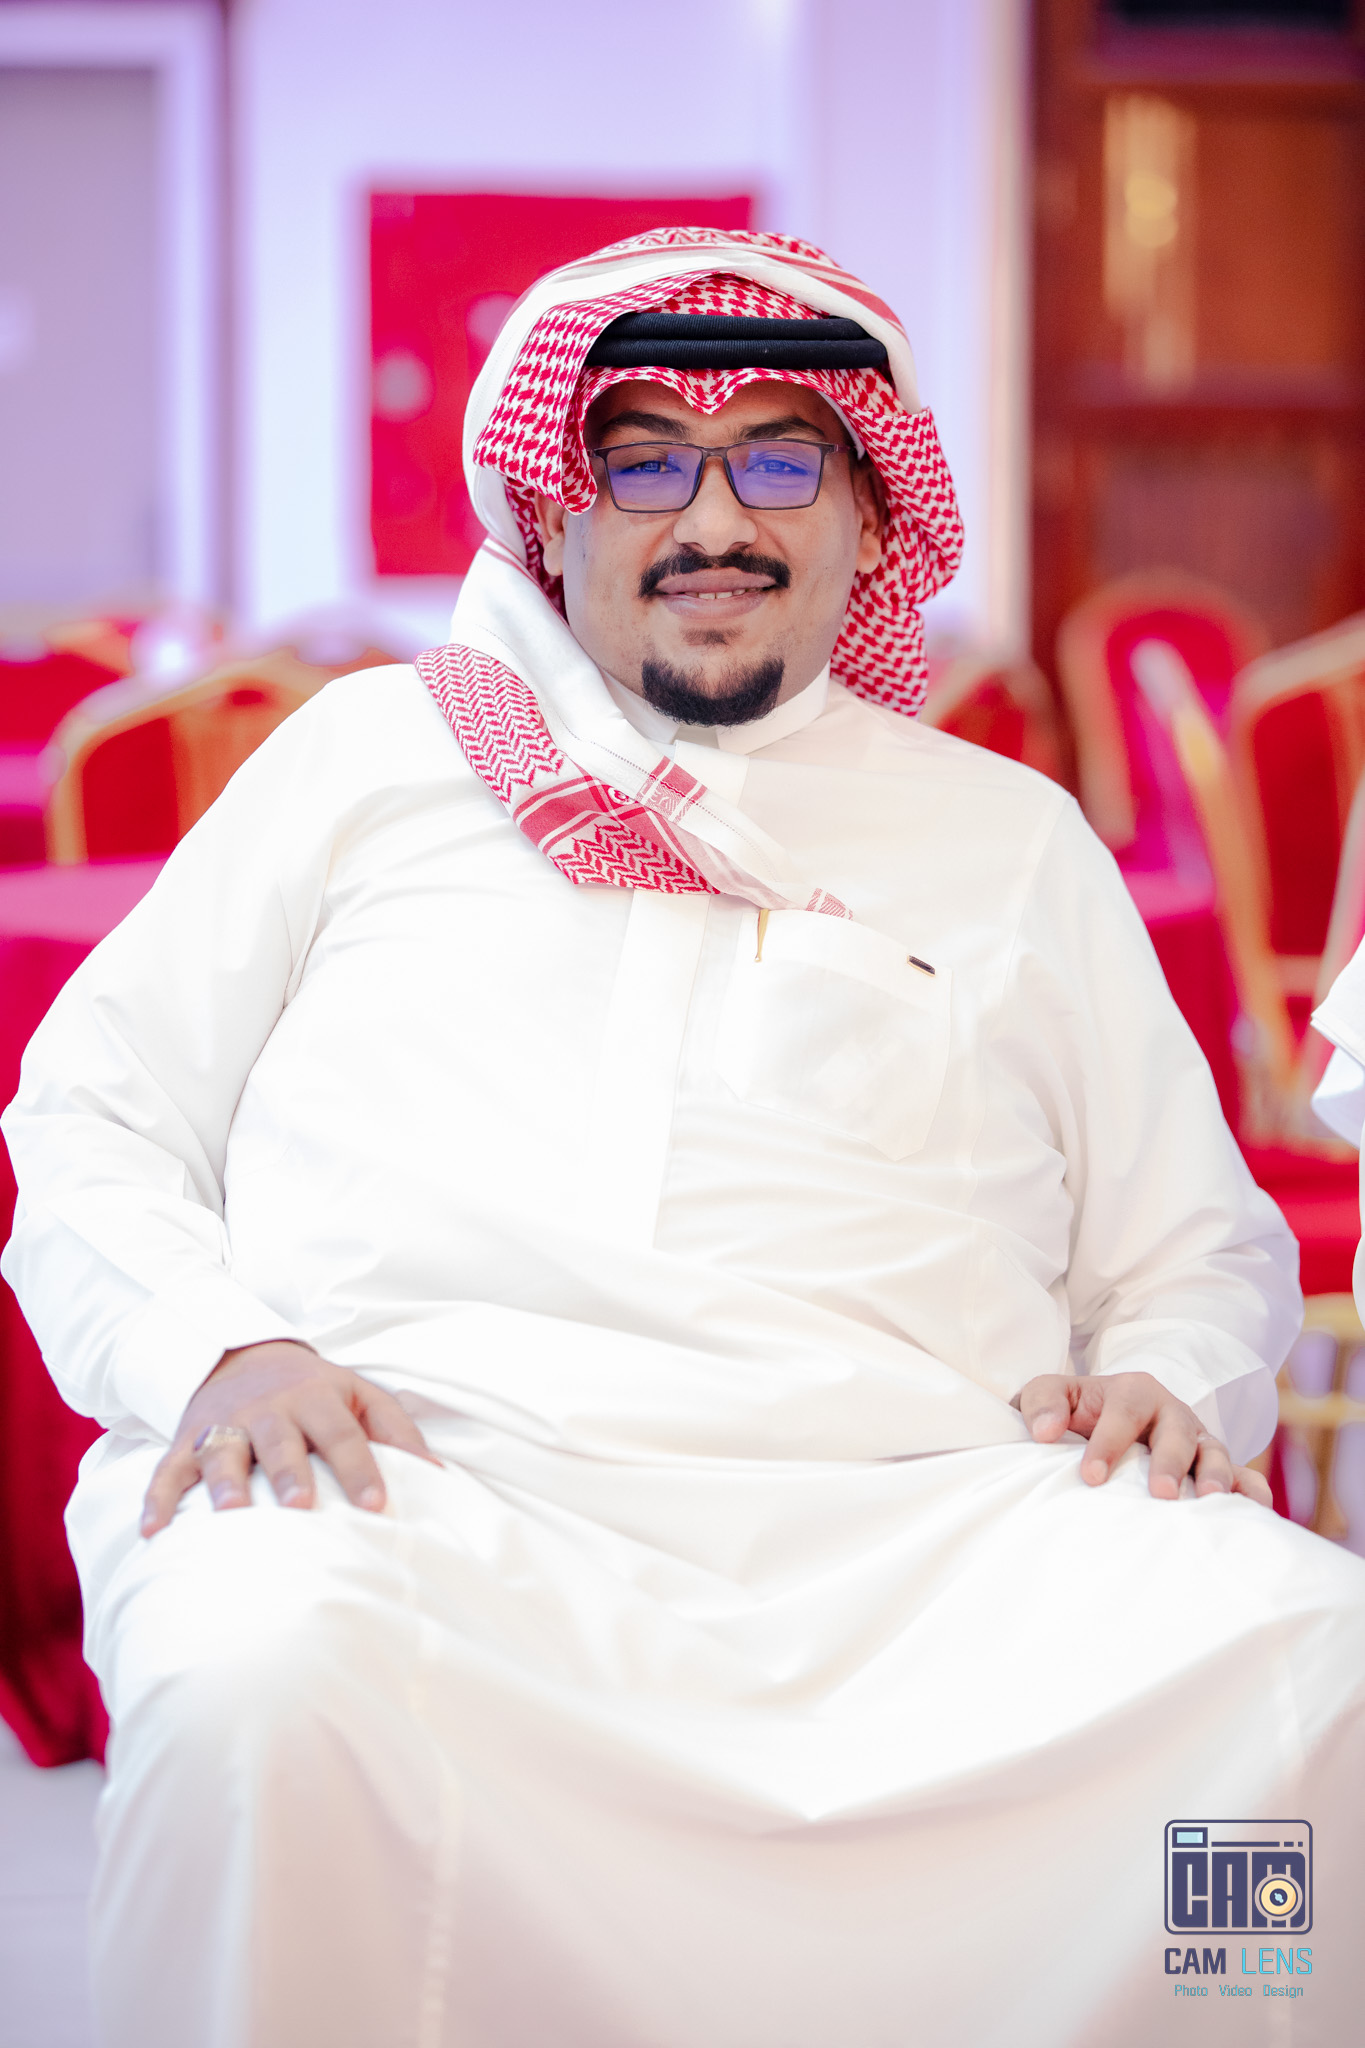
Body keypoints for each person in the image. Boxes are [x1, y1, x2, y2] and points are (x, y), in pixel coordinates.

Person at [4, 228, 1363, 2048]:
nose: (710, 520)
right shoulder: (362, 766)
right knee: (266, 1671)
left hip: (926, 1536)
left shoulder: (1008, 836)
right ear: (553, 506)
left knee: (1302, 1669)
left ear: (868, 515)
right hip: (431, 1494)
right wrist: (218, 1351)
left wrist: (1169, 1373)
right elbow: (93, 1111)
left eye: (778, 462)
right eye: (644, 461)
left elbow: (1189, 1240)